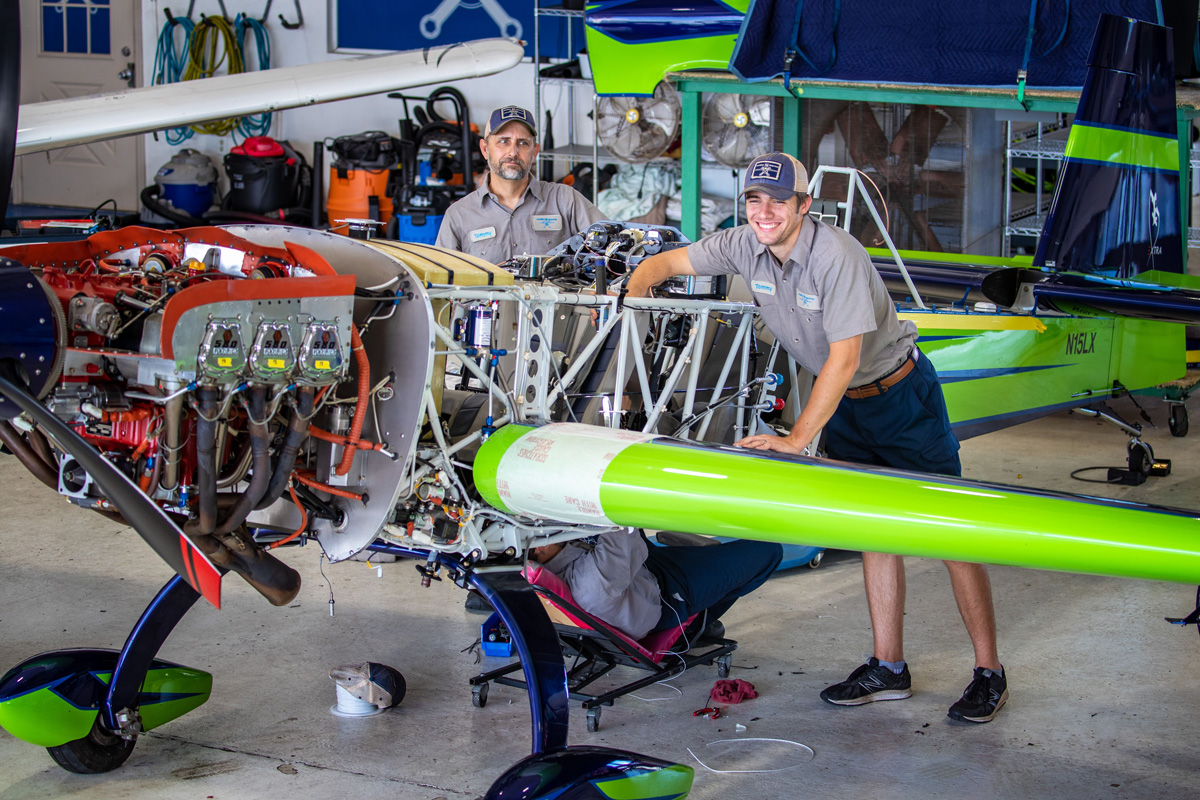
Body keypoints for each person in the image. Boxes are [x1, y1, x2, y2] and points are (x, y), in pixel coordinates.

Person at [623, 152, 1007, 724]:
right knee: (872, 530)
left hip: (900, 397)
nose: (766, 210)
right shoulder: (741, 245)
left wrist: (798, 438)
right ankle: (888, 668)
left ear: (804, 205)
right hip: (849, 409)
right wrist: (630, 316)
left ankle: (989, 673)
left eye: (780, 200)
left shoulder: (837, 255)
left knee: (950, 534)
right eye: (755, 199)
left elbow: (845, 357)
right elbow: (662, 266)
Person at [529, 532, 783, 643]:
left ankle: (706, 566)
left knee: (711, 556)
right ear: (541, 549)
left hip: (636, 574)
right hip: (668, 593)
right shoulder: (592, 580)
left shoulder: (547, 568)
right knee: (768, 551)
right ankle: (698, 624)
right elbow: (621, 520)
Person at [435, 105, 605, 263]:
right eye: (504, 141)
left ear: (535, 152)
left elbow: (614, 246)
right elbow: (440, 282)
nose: (513, 152)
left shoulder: (566, 201)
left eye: (523, 143)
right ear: (485, 149)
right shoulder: (459, 216)